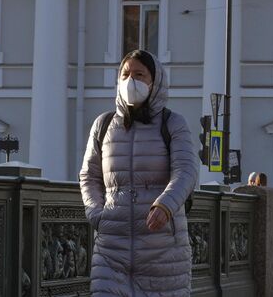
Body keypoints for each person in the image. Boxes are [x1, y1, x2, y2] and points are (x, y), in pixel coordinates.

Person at [79, 50, 197, 296]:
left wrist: (165, 206)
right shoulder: (104, 124)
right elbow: (89, 176)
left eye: (139, 74)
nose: (131, 80)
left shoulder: (173, 123)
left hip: (161, 248)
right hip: (112, 248)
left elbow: (186, 171)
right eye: (126, 74)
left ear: (155, 82)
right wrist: (97, 214)